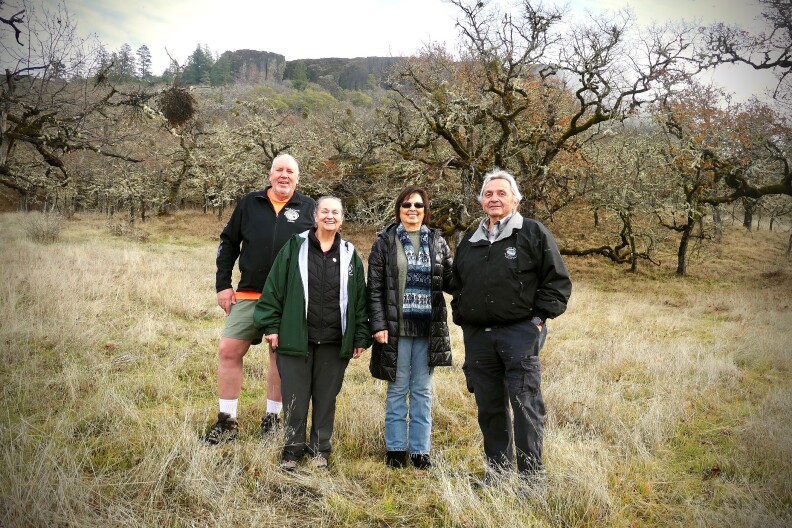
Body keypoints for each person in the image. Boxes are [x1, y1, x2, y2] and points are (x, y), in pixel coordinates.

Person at [451, 169, 572, 480]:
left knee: (525, 407)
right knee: (489, 409)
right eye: (489, 194)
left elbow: (557, 281)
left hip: (519, 333)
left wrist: (536, 321)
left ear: (516, 199)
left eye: (501, 193)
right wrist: (464, 318)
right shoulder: (470, 240)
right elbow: (458, 285)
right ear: (480, 202)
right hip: (479, 338)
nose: (494, 198)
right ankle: (498, 473)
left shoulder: (532, 233)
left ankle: (532, 478)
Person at [203, 153, 316, 445]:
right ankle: (227, 422)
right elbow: (228, 242)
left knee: (279, 358)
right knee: (229, 350)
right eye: (279, 170)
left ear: (298, 178)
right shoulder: (249, 203)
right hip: (249, 293)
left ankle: (272, 420)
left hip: (288, 299)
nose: (284, 175)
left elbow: (319, 253)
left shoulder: (309, 208)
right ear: (270, 174)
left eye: (290, 171)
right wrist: (223, 285)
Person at [253, 196, 371, 470]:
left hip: (334, 340)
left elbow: (359, 299)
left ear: (342, 219)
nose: (330, 216)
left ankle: (320, 450)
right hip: (296, 337)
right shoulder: (295, 247)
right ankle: (292, 451)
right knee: (295, 395)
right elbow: (274, 287)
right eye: (325, 211)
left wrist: (360, 336)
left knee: (326, 397)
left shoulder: (350, 254)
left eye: (336, 212)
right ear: (315, 216)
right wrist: (271, 326)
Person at [367, 187, 454, 470]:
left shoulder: (438, 242)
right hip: (395, 330)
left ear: (425, 209)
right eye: (406, 204)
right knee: (397, 389)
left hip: (428, 330)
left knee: (422, 392)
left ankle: (419, 452)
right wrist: (378, 324)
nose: (412, 209)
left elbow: (452, 281)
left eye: (418, 205)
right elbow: (375, 289)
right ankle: (395, 450)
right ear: (399, 209)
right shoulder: (385, 242)